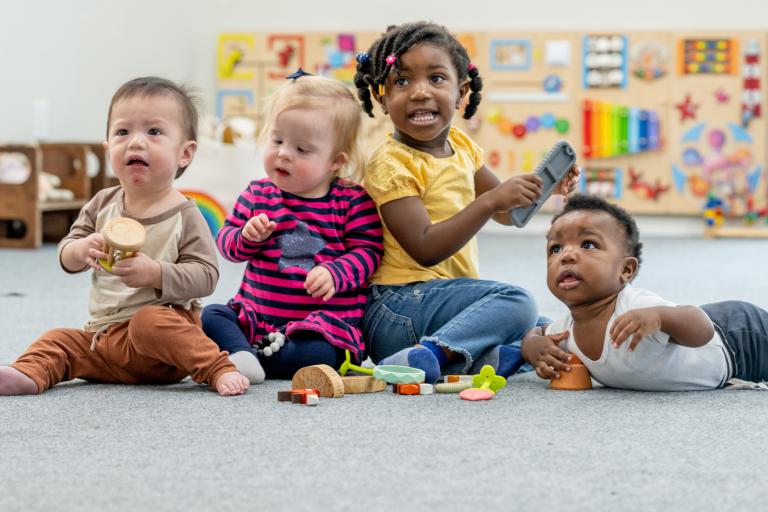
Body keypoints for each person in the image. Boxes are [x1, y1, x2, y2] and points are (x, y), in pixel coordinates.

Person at [353, 21, 579, 383]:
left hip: (445, 304)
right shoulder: (390, 163)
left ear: (462, 93)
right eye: (402, 81)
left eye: (437, 78)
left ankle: (492, 357)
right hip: (397, 309)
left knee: (545, 327)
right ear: (381, 97)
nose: (420, 92)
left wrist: (544, 189)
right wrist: (488, 202)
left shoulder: (462, 146)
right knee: (517, 301)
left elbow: (508, 213)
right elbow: (424, 248)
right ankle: (424, 354)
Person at [0, 77, 249, 397]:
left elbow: (207, 275)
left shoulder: (185, 214)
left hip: (162, 345)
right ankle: (27, 372)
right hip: (102, 338)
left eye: (154, 132)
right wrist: (80, 250)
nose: (135, 142)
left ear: (184, 153)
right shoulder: (102, 203)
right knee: (59, 339)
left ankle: (216, 367)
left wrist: (155, 273)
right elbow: (65, 250)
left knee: (149, 321)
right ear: (108, 149)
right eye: (122, 132)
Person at [201, 73, 383, 383]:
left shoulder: (350, 200)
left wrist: (336, 273)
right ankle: (245, 353)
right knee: (210, 315)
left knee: (321, 357)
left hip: (321, 326)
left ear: (335, 161)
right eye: (277, 140)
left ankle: (246, 358)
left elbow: (369, 252)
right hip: (257, 318)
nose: (284, 153)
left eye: (302, 149)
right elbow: (226, 243)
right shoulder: (258, 194)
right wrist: (246, 236)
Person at [522, 193, 768, 391]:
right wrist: (532, 346)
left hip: (741, 338)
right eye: (555, 248)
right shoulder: (565, 331)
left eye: (588, 244)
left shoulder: (636, 308)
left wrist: (659, 317)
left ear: (626, 270)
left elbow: (702, 329)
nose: (567, 255)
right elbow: (537, 331)